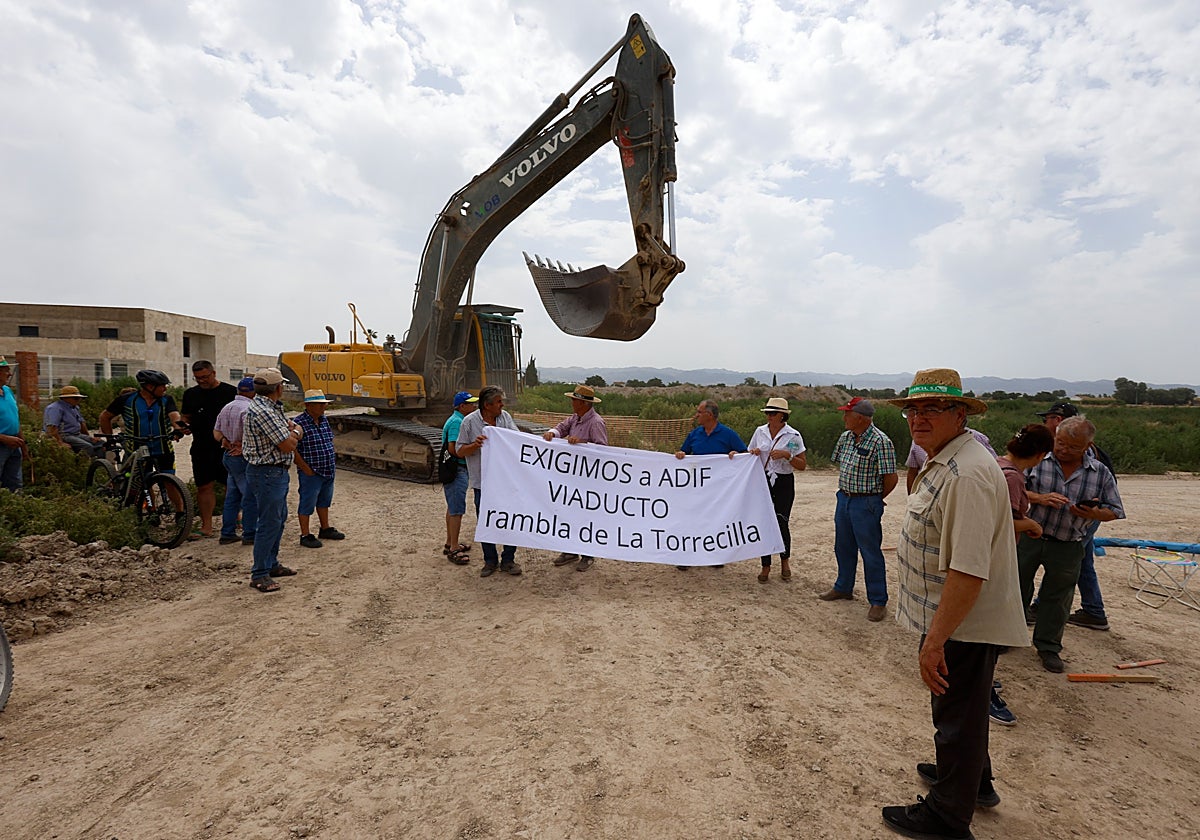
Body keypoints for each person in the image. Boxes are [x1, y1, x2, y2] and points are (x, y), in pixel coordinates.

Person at [882, 369, 1030, 840]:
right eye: (913, 409)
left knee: (956, 719)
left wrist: (935, 642)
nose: (918, 418)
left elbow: (968, 571)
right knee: (963, 711)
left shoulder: (966, 474)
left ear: (960, 414)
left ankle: (947, 817)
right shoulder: (950, 458)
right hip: (955, 618)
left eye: (932, 408)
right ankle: (973, 781)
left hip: (963, 623)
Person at [1018, 416, 1124, 672]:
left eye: (1073, 447)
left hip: (1068, 544)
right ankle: (1008, 637)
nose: (1064, 450)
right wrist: (1039, 498)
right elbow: (1014, 489)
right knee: (1016, 587)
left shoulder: (1100, 473)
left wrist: (1093, 513)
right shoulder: (1037, 461)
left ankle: (1048, 647)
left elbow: (1115, 510)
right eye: (1060, 443)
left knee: (1058, 598)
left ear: (1088, 446)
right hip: (1029, 538)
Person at [987, 423, 1056, 728]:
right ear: (1040, 455)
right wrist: (1030, 525)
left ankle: (980, 678)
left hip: (987, 553)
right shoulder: (1013, 477)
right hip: (996, 555)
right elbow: (1001, 520)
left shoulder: (996, 464)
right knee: (990, 626)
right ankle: (982, 688)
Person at [1035, 401, 1117, 632]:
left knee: (1067, 564)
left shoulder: (1092, 460)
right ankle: (1094, 610)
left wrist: (1094, 512)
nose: (1045, 424)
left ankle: (1042, 608)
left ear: (1058, 421)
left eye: (1047, 419)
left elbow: (1112, 502)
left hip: (1080, 521)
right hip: (1079, 521)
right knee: (1082, 561)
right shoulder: (1053, 452)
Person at [821, 397, 897, 621]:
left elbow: (891, 478)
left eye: (848, 414)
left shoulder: (881, 442)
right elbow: (841, 464)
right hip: (844, 498)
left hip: (866, 502)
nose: (844, 417)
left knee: (870, 552)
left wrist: (875, 499)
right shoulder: (846, 437)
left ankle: (878, 601)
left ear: (862, 418)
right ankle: (843, 587)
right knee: (843, 547)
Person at [241, 368, 302, 593]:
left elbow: (290, 430)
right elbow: (288, 444)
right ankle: (260, 574)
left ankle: (271, 564)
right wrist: (296, 432)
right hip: (267, 473)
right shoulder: (264, 412)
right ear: (278, 388)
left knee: (277, 519)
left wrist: (292, 431)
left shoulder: (269, 408)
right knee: (269, 522)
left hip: (272, 472)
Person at [456, 385, 522, 578]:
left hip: (506, 481)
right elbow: (459, 450)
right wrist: (474, 445)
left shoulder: (505, 418)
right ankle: (490, 561)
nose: (502, 405)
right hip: (482, 483)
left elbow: (516, 440)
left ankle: (508, 560)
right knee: (486, 522)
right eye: (499, 402)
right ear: (487, 405)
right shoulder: (469, 422)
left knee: (510, 520)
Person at [673, 399, 746, 570]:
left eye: (699, 412)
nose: (696, 415)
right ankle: (687, 556)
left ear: (710, 415)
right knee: (691, 519)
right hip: (696, 486)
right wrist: (680, 455)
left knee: (716, 519)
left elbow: (745, 455)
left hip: (719, 489)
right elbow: (685, 452)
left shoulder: (728, 434)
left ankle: (715, 554)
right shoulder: (694, 434)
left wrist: (736, 454)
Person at [544, 384, 609, 572]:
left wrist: (582, 443)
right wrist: (552, 433)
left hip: (588, 480)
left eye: (574, 400)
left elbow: (603, 450)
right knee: (570, 514)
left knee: (586, 517)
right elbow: (562, 427)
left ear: (583, 403)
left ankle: (588, 555)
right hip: (573, 477)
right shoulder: (575, 418)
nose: (572, 402)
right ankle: (570, 550)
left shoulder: (596, 423)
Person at [747, 397, 806, 583]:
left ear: (782, 415)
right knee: (764, 522)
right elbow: (749, 453)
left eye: (772, 413)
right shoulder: (760, 432)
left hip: (784, 481)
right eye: (767, 413)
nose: (769, 416)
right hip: (763, 480)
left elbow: (802, 465)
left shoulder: (793, 436)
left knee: (782, 522)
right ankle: (765, 565)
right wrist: (754, 453)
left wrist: (787, 455)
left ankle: (784, 561)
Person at [181, 361, 237, 538]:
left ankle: (234, 521)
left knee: (231, 485)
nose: (202, 381)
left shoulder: (230, 392)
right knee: (204, 487)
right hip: (201, 447)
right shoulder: (190, 394)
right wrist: (184, 426)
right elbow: (186, 416)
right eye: (198, 378)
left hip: (226, 447)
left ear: (213, 373)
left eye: (205, 377)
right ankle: (207, 526)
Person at [99, 369, 188, 473]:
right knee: (137, 481)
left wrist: (178, 429)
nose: (165, 388)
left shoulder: (167, 399)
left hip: (163, 449)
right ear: (150, 387)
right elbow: (104, 417)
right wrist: (109, 439)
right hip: (136, 450)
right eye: (162, 386)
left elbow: (174, 415)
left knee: (169, 480)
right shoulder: (126, 399)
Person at [293, 389, 345, 548]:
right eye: (320, 404)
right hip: (311, 471)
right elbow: (292, 449)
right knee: (307, 502)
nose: (324, 407)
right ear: (308, 406)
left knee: (324, 501)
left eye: (324, 404)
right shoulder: (298, 423)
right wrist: (305, 468)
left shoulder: (323, 420)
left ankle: (325, 528)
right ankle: (305, 534)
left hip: (327, 469)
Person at [213, 377, 258, 546]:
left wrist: (224, 441)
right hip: (242, 457)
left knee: (232, 496)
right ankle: (250, 533)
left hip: (229, 455)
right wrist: (243, 446)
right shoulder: (249, 409)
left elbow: (216, 431)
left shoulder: (227, 407)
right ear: (254, 392)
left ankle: (227, 532)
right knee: (250, 496)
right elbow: (251, 433)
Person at [441, 391, 478, 565]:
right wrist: (473, 449)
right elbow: (453, 448)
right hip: (457, 469)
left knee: (452, 507)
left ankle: (450, 542)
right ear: (462, 406)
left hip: (455, 469)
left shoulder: (456, 419)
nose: (474, 406)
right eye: (471, 404)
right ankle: (454, 548)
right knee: (457, 510)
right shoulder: (457, 422)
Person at [905, 427, 994, 493]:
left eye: (932, 411)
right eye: (913, 411)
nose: (918, 419)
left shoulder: (977, 438)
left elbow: (994, 468)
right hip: (925, 498)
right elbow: (912, 472)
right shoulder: (918, 441)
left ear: (959, 416)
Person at [43, 385, 102, 457]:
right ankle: (87, 462)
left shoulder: (75, 408)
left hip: (76, 434)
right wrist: (60, 442)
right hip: (64, 435)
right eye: (75, 398)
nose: (79, 400)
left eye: (79, 398)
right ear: (65, 398)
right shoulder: (55, 408)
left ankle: (101, 461)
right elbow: (52, 427)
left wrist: (89, 437)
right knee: (87, 446)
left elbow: (81, 423)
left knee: (100, 443)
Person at [0, 356, 28, 492]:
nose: (10, 374)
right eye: (6, 370)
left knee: (14, 483)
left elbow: (15, 419)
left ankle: (14, 503)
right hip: (2, 444)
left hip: (14, 444)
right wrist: (4, 438)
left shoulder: (7, 391)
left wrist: (23, 444)